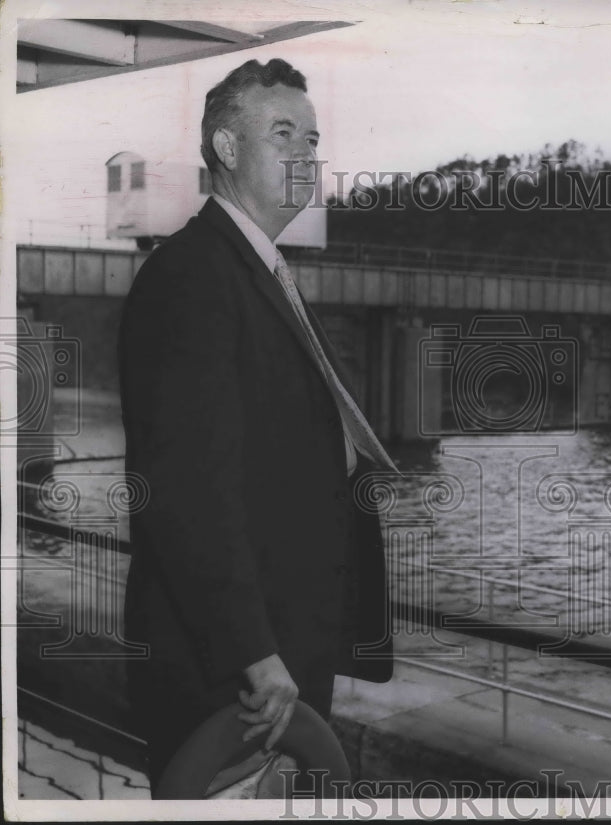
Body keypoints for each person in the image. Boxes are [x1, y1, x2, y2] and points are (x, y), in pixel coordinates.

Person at [118, 58, 394, 797]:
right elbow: (185, 489)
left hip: (279, 664)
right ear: (227, 150)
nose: (305, 155)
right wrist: (255, 654)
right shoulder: (191, 277)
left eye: (312, 139)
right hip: (236, 684)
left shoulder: (258, 273)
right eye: (282, 135)